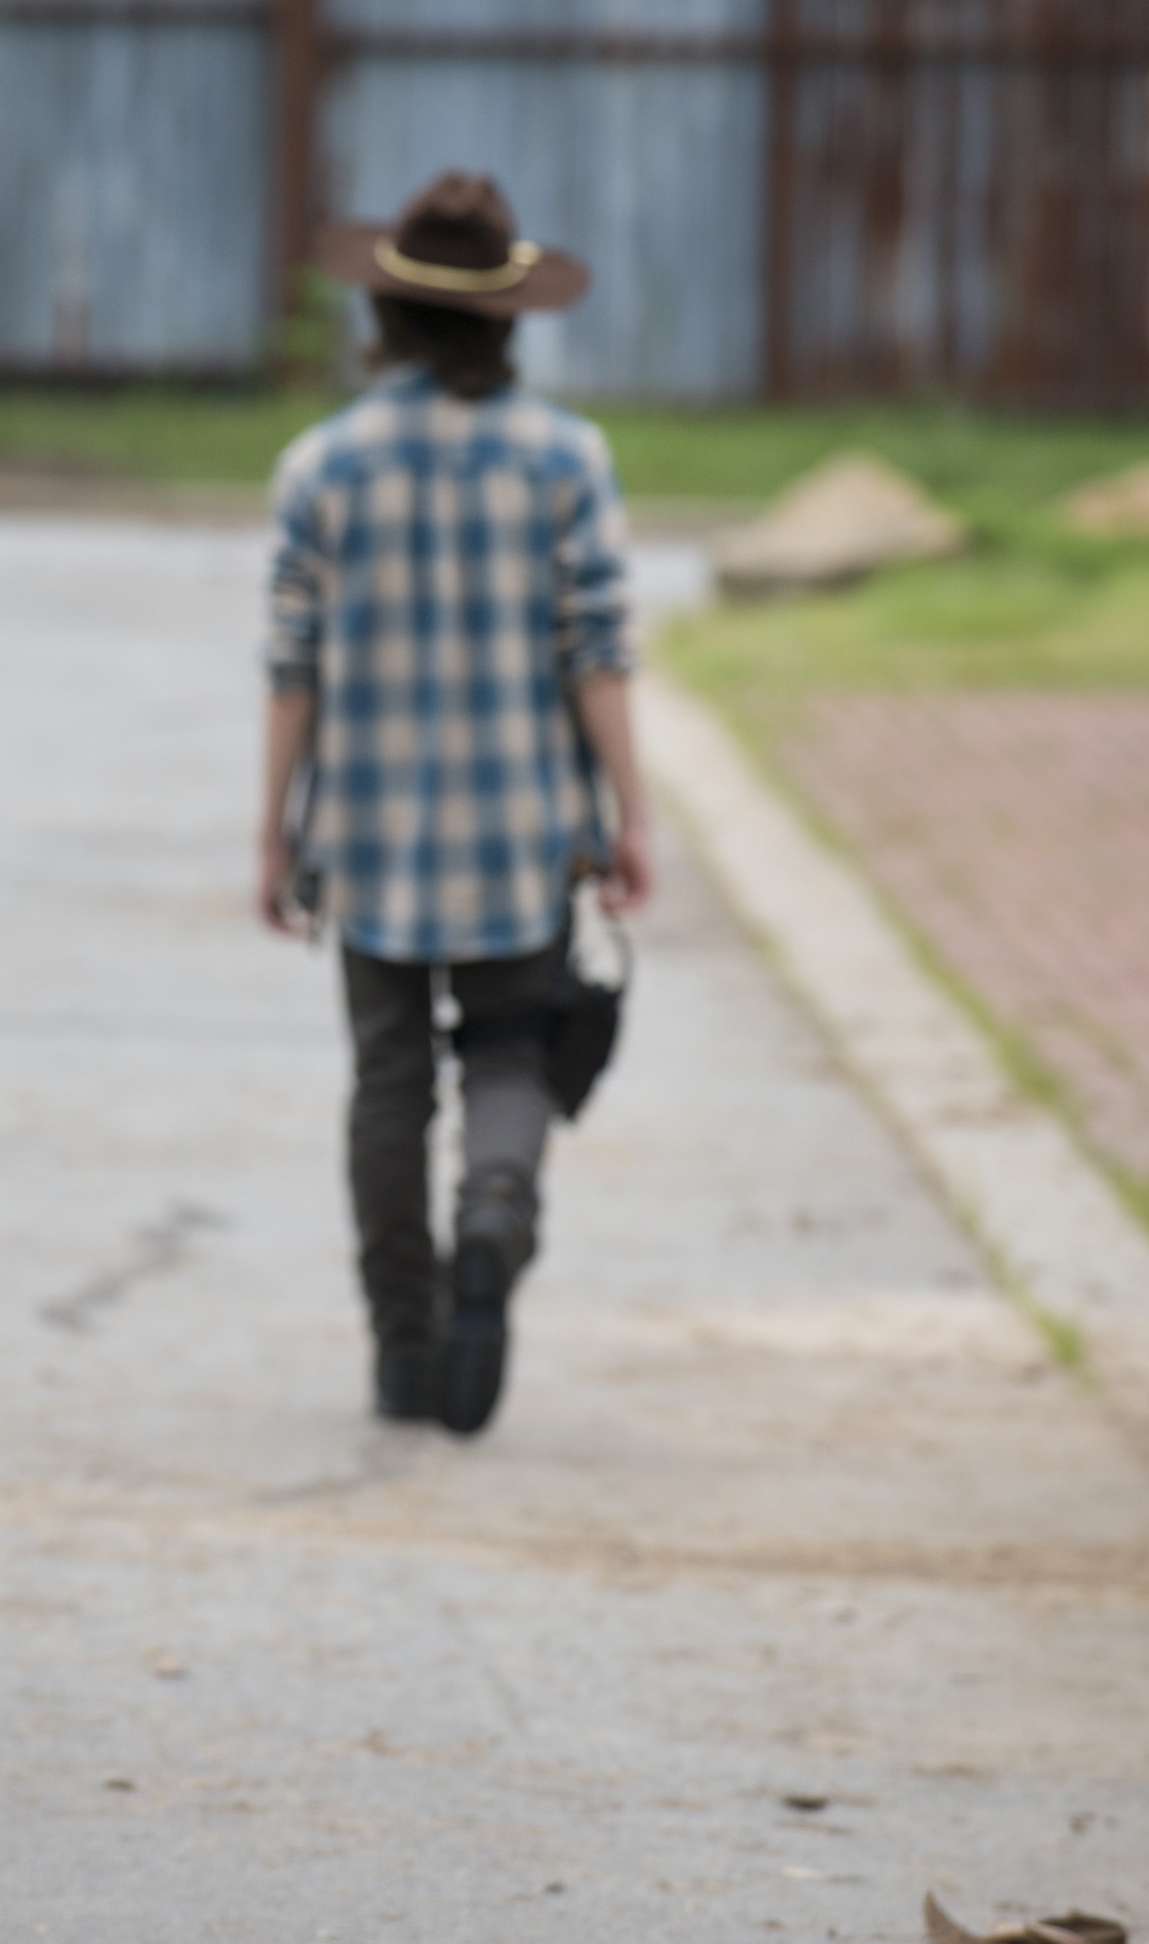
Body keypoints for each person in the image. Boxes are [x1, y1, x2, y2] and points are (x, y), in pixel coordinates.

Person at [258, 169, 651, 1437]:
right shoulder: (565, 459)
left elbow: (293, 670)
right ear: (505, 315)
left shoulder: (324, 464)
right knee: (508, 1052)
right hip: (524, 831)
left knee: (386, 1083)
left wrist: (275, 830)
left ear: (390, 312)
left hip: (368, 842)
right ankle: (494, 1214)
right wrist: (630, 816)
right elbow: (599, 652)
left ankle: (403, 1348)